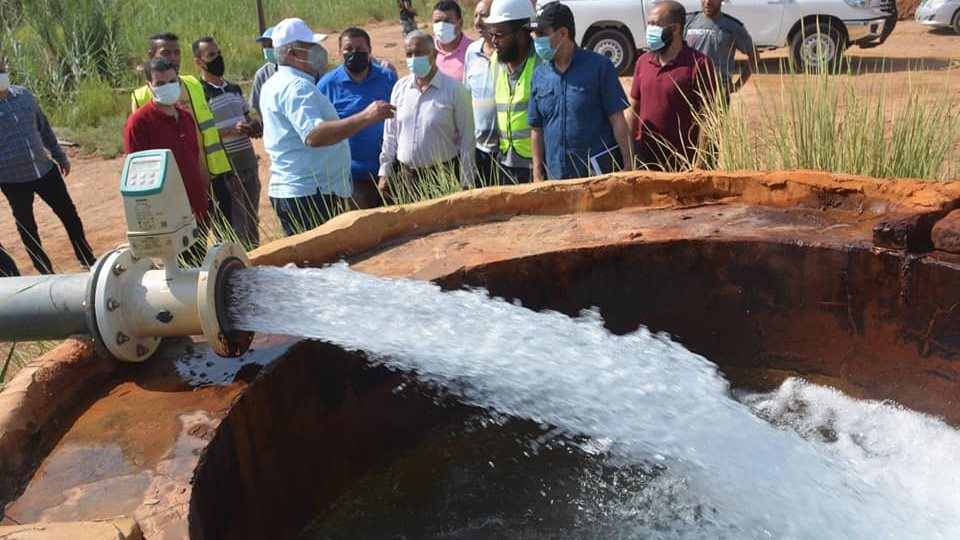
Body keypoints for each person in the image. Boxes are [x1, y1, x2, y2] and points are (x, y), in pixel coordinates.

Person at [260, 18, 395, 236]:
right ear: (293, 53)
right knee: (317, 265)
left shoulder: (276, 83)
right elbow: (314, 135)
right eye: (311, 46)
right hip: (309, 194)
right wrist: (366, 117)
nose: (318, 51)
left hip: (304, 190)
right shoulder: (297, 87)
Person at [0, 58, 95, 274]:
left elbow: (43, 128)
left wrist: (60, 155)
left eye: (1, 69)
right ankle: (44, 271)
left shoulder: (23, 95)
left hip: (44, 169)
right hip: (12, 180)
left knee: (69, 214)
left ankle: (87, 258)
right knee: (27, 227)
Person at [527, 2, 633, 180]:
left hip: (597, 177)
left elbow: (617, 119)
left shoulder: (599, 67)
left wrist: (629, 164)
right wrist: (537, 172)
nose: (537, 40)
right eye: (535, 35)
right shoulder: (539, 76)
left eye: (542, 34)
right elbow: (537, 129)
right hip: (556, 177)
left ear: (562, 33)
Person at [123, 56, 210, 266]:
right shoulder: (139, 123)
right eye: (160, 84)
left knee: (199, 267)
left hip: (196, 210)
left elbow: (196, 159)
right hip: (169, 218)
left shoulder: (186, 118)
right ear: (149, 86)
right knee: (178, 272)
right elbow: (137, 177)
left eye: (172, 81)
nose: (168, 87)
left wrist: (205, 198)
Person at [130, 33, 233, 197]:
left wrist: (226, 172)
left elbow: (209, 131)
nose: (173, 58)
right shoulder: (141, 97)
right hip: (173, 187)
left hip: (212, 174)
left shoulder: (193, 84)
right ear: (151, 55)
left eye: (177, 53)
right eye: (166, 53)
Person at [378, 31, 476, 197]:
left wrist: (467, 182)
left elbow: (467, 139)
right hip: (406, 177)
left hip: (442, 175)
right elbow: (390, 133)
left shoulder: (455, 90)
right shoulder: (400, 88)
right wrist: (385, 171)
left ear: (434, 54)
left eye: (419, 53)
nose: (414, 59)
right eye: (409, 54)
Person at [627, 1, 719, 171]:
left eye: (655, 24)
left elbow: (708, 118)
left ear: (676, 28)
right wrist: (628, 153)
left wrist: (699, 164)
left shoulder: (698, 64)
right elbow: (634, 109)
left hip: (684, 164)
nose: (650, 30)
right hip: (646, 161)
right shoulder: (643, 62)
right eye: (649, 24)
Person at [193, 36, 263, 247]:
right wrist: (231, 130)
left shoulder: (233, 88)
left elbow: (245, 117)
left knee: (252, 220)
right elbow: (202, 132)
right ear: (198, 61)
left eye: (219, 53)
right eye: (211, 55)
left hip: (248, 161)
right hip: (227, 168)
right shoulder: (200, 93)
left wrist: (254, 126)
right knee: (236, 225)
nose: (218, 59)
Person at [318, 28, 399, 209]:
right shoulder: (327, 85)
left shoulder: (387, 77)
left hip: (390, 171)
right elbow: (321, 129)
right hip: (351, 178)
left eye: (359, 48)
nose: (354, 53)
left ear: (369, 50)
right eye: (348, 49)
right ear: (339, 52)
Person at [486, 0, 541, 184]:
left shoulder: (542, 61)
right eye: (491, 33)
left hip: (537, 163)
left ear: (522, 34)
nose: (494, 41)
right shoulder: (495, 61)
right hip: (505, 161)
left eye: (499, 34)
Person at [685, 0, 757, 101]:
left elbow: (754, 55)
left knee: (717, 117)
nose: (707, 2)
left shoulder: (733, 26)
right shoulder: (689, 21)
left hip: (718, 90)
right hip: (689, 87)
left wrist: (738, 85)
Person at [462, 0, 499, 186]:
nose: (477, 22)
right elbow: (466, 98)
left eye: (483, 15)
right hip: (480, 149)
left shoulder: (510, 52)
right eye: (476, 15)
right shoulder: (471, 52)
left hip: (508, 150)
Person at [433, 0, 474, 81]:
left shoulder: (474, 51)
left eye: (447, 21)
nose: (441, 26)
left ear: (460, 24)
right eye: (437, 21)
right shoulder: (427, 49)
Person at [249, 26, 278, 120]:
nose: (267, 49)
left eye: (270, 45)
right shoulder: (262, 74)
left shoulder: (297, 68)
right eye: (265, 46)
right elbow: (257, 107)